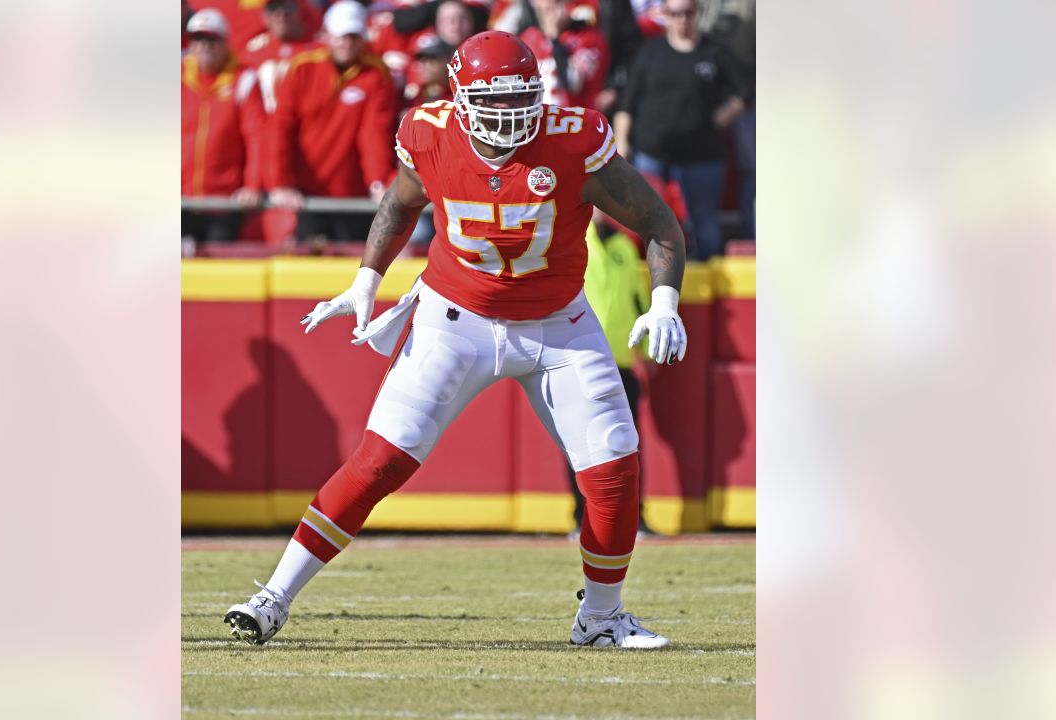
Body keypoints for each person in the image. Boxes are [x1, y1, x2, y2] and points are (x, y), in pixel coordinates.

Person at [226, 30, 687, 649]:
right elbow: (398, 203)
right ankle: (273, 596)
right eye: (493, 103)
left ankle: (601, 618)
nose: (508, 116)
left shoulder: (573, 140)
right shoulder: (428, 131)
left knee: (612, 463)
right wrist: (367, 279)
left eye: (520, 100)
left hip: (558, 325)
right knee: (384, 456)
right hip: (455, 318)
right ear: (460, 97)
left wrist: (665, 300)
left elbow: (658, 222)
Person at [613, 0, 751, 259]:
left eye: (688, 13)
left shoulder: (714, 51)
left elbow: (747, 87)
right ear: (666, 15)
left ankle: (707, 292)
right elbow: (626, 102)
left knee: (704, 224)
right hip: (652, 154)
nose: (682, 20)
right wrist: (621, 143)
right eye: (675, 14)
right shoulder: (649, 52)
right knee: (648, 222)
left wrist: (725, 114)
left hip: (702, 156)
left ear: (697, 13)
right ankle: (655, 283)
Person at [266, 1, 399, 243]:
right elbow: (281, 127)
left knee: (353, 265)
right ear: (327, 35)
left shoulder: (375, 74)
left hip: (354, 192)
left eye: (353, 36)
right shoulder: (302, 67)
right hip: (306, 192)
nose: (346, 43)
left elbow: (374, 133)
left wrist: (377, 180)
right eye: (340, 36)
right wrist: (281, 182)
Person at [566, 210, 655, 539]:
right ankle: (581, 517)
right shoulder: (574, 238)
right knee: (580, 445)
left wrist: (646, 351)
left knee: (627, 446)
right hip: (582, 359)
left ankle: (635, 518)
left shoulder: (625, 245)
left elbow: (638, 301)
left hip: (621, 362)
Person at [181, 8, 263, 243]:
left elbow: (256, 136)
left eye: (212, 39)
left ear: (225, 43)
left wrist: (252, 184)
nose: (205, 45)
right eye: (199, 39)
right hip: (179, 202)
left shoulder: (244, 80)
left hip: (223, 203)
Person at [520, 0, 609, 110]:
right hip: (538, 120)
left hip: (575, 120)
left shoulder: (588, 38)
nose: (550, 4)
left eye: (558, 2)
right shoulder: (528, 38)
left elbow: (571, 83)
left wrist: (555, 39)